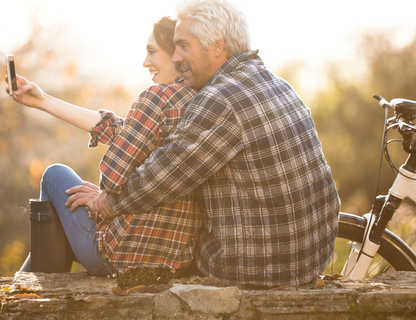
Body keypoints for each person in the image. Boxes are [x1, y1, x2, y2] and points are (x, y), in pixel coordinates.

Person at [83, 0, 340, 287]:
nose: (176, 57)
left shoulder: (221, 98)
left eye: (183, 46)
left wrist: (110, 203)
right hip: (310, 258)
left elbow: (166, 176)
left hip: (255, 267)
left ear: (217, 47)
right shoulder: (278, 84)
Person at [8, 17, 203, 275]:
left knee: (53, 175)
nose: (146, 62)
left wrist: (100, 199)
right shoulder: (203, 102)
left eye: (152, 51)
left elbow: (111, 179)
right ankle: (23, 282)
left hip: (123, 255)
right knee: (61, 224)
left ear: (176, 54)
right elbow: (121, 130)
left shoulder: (157, 97)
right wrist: (43, 101)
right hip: (174, 260)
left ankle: (33, 291)